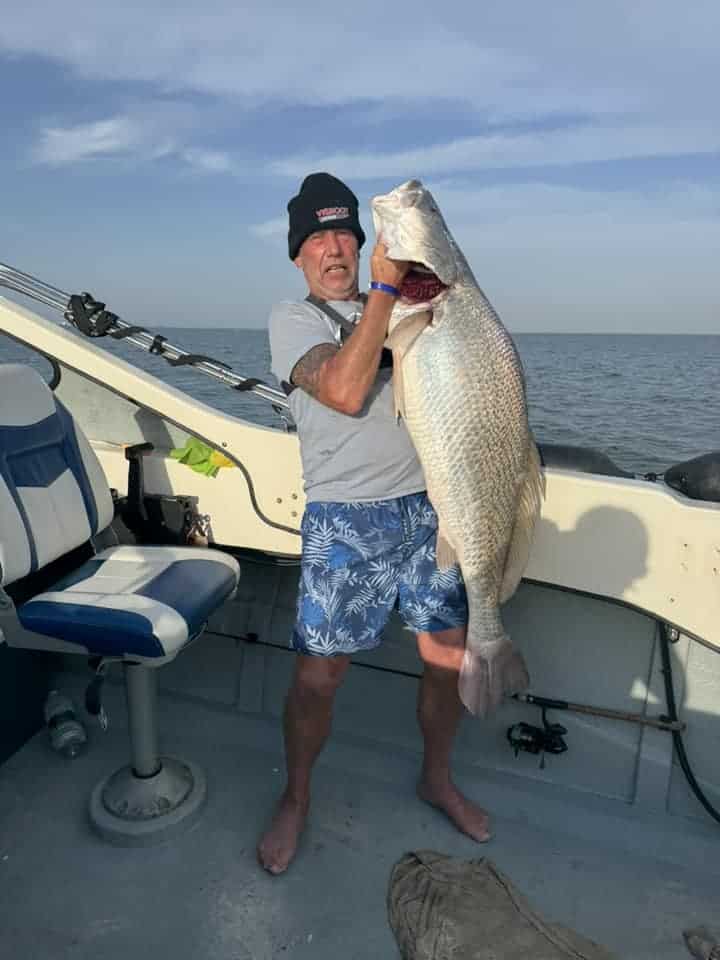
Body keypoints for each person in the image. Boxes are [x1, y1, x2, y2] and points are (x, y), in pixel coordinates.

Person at [259, 172, 490, 875]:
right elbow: (346, 388)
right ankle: (296, 798)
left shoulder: (391, 305)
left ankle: (436, 777)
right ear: (298, 253)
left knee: (448, 661)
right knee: (319, 679)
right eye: (318, 237)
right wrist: (385, 295)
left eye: (345, 235)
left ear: (363, 243)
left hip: (427, 509)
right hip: (346, 521)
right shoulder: (292, 321)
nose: (334, 248)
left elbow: (464, 362)